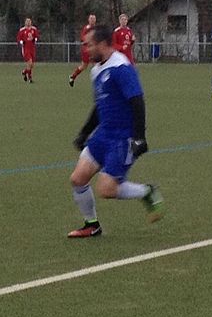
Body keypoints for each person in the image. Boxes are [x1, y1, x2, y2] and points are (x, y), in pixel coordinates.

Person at [67, 24, 162, 238]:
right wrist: (84, 132)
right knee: (78, 179)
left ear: (102, 44)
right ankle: (92, 225)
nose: (86, 49)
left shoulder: (121, 67)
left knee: (106, 190)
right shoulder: (96, 70)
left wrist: (139, 137)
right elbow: (101, 105)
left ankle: (147, 192)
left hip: (122, 138)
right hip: (103, 135)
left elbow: (137, 101)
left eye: (89, 45)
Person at [69, 14, 97, 87]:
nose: (92, 20)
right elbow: (83, 38)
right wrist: (89, 42)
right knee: (84, 66)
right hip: (87, 49)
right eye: (91, 18)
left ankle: (97, 81)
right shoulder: (86, 28)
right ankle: (73, 76)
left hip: (94, 49)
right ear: (88, 20)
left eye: (94, 19)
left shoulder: (96, 28)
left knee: (95, 64)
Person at [16, 18, 39, 83]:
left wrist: (35, 39)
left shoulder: (34, 29)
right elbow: (18, 38)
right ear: (25, 22)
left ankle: (24, 72)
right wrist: (21, 42)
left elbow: (36, 36)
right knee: (30, 62)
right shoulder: (22, 30)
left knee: (31, 65)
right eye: (27, 21)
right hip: (26, 49)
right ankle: (30, 78)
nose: (28, 23)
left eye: (29, 21)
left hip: (32, 49)